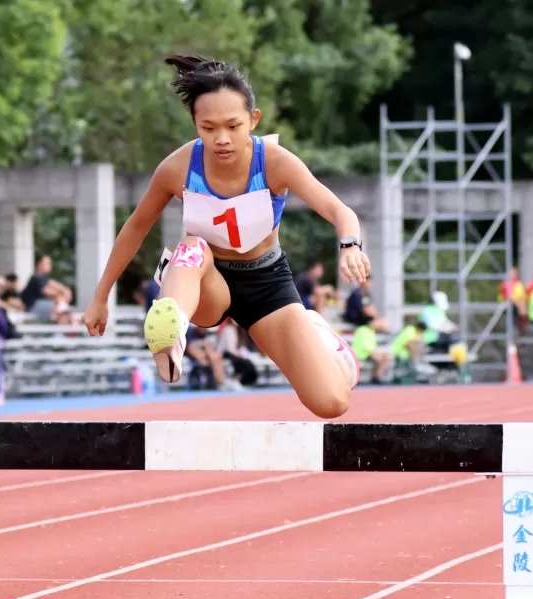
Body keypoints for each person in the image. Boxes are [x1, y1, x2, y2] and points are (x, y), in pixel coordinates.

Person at [82, 55, 368, 418]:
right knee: (191, 247)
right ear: (195, 125)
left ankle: (320, 337)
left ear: (254, 119)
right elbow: (136, 227)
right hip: (207, 280)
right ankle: (169, 334)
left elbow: (337, 209)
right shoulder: (177, 168)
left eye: (233, 126)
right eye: (208, 128)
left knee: (331, 404)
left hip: (266, 284)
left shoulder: (275, 162)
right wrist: (100, 295)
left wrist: (349, 246)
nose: (221, 139)